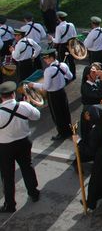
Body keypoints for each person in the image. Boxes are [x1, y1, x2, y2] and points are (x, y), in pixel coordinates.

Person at [0, 81, 41, 213]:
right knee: (27, 167)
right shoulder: (23, 105)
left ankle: (10, 204)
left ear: (1, 97)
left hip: (5, 147)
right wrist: (28, 104)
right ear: (13, 94)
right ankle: (33, 193)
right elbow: (37, 116)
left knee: (7, 175)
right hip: (23, 142)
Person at [28, 49, 73, 141]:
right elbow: (70, 76)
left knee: (57, 114)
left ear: (52, 58)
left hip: (53, 95)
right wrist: (60, 80)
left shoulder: (48, 70)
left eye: (46, 58)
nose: (45, 60)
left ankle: (62, 133)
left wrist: (34, 85)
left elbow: (46, 87)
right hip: (62, 92)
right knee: (65, 111)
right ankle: (69, 130)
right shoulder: (63, 65)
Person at [51, 11, 77, 77]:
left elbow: (57, 41)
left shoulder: (58, 27)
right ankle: (73, 75)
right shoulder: (71, 25)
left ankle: (64, 76)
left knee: (62, 62)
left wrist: (51, 38)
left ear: (59, 18)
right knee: (71, 61)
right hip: (70, 45)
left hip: (62, 47)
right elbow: (75, 35)